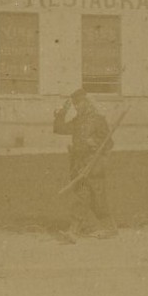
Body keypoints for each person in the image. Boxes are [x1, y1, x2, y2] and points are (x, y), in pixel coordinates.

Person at [53, 88, 115, 240]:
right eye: (75, 105)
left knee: (97, 199)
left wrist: (95, 143)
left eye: (79, 103)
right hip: (79, 166)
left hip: (94, 166)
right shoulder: (77, 121)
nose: (77, 107)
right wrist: (62, 113)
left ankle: (109, 228)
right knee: (82, 197)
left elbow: (109, 143)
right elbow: (59, 129)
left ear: (87, 103)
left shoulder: (98, 120)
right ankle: (74, 231)